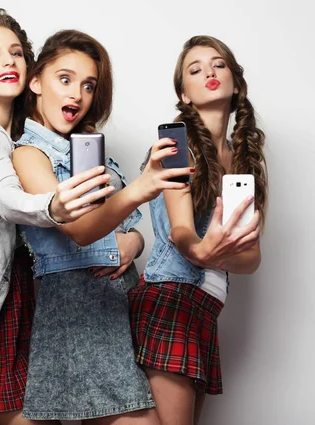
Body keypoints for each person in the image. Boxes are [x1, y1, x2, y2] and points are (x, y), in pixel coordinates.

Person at [12, 30, 192, 424]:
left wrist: (135, 241)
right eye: (65, 79)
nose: (76, 94)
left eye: (88, 85)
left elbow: (124, 229)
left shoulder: (90, 152)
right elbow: (76, 228)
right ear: (36, 81)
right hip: (78, 309)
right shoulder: (28, 153)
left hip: (119, 303)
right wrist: (141, 190)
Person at [0, 10, 113, 425]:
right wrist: (54, 207)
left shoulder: (21, 135)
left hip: (18, 292)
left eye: (16, 53)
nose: (8, 62)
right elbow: (5, 198)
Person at [128, 35, 267, 425]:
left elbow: (252, 258)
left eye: (218, 64)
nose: (209, 72)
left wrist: (217, 251)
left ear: (236, 83)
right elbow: (183, 232)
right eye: (195, 69)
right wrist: (208, 250)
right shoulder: (176, 143)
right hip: (172, 298)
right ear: (183, 94)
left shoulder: (243, 159)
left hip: (204, 308)